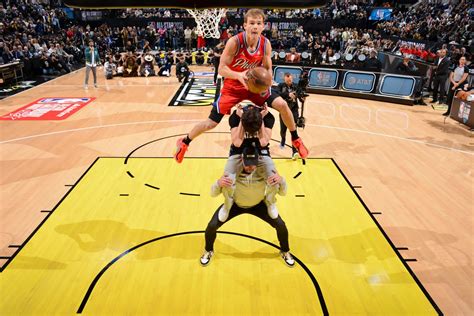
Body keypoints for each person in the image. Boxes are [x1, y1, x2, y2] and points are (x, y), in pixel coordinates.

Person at [174, 9, 308, 163]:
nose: (255, 26)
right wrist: (239, 75)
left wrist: (268, 78)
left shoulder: (265, 44)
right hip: (233, 87)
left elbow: (268, 67)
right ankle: (184, 142)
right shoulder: (235, 42)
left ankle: (295, 139)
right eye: (251, 23)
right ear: (245, 25)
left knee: (283, 105)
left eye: (258, 23)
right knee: (211, 123)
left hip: (255, 87)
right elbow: (222, 69)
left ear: (263, 26)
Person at [200, 143, 294, 267]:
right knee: (211, 226)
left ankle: (285, 251)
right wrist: (218, 183)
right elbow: (212, 194)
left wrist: (281, 180)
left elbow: (283, 193)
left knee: (281, 225)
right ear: (242, 160)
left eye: (253, 163)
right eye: (247, 163)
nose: (250, 167)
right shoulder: (232, 172)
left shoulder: (264, 171)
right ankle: (208, 250)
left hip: (258, 205)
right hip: (236, 205)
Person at [277, 73, 299, 159]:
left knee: (293, 131)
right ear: (284, 79)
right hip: (284, 110)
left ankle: (294, 151)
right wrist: (288, 95)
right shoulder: (280, 86)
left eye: (290, 80)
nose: (289, 82)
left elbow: (300, 95)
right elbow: (278, 94)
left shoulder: (296, 86)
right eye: (287, 80)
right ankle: (283, 139)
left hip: (294, 110)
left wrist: (302, 98)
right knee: (283, 130)